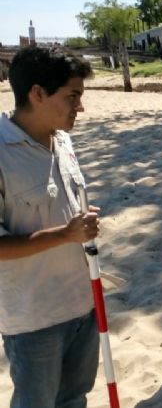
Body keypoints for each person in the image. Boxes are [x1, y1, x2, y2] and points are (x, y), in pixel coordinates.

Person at [0, 46, 99, 407]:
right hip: (33, 320)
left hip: (82, 304)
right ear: (38, 93)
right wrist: (65, 234)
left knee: (74, 399)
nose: (80, 106)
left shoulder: (63, 140)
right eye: (72, 96)